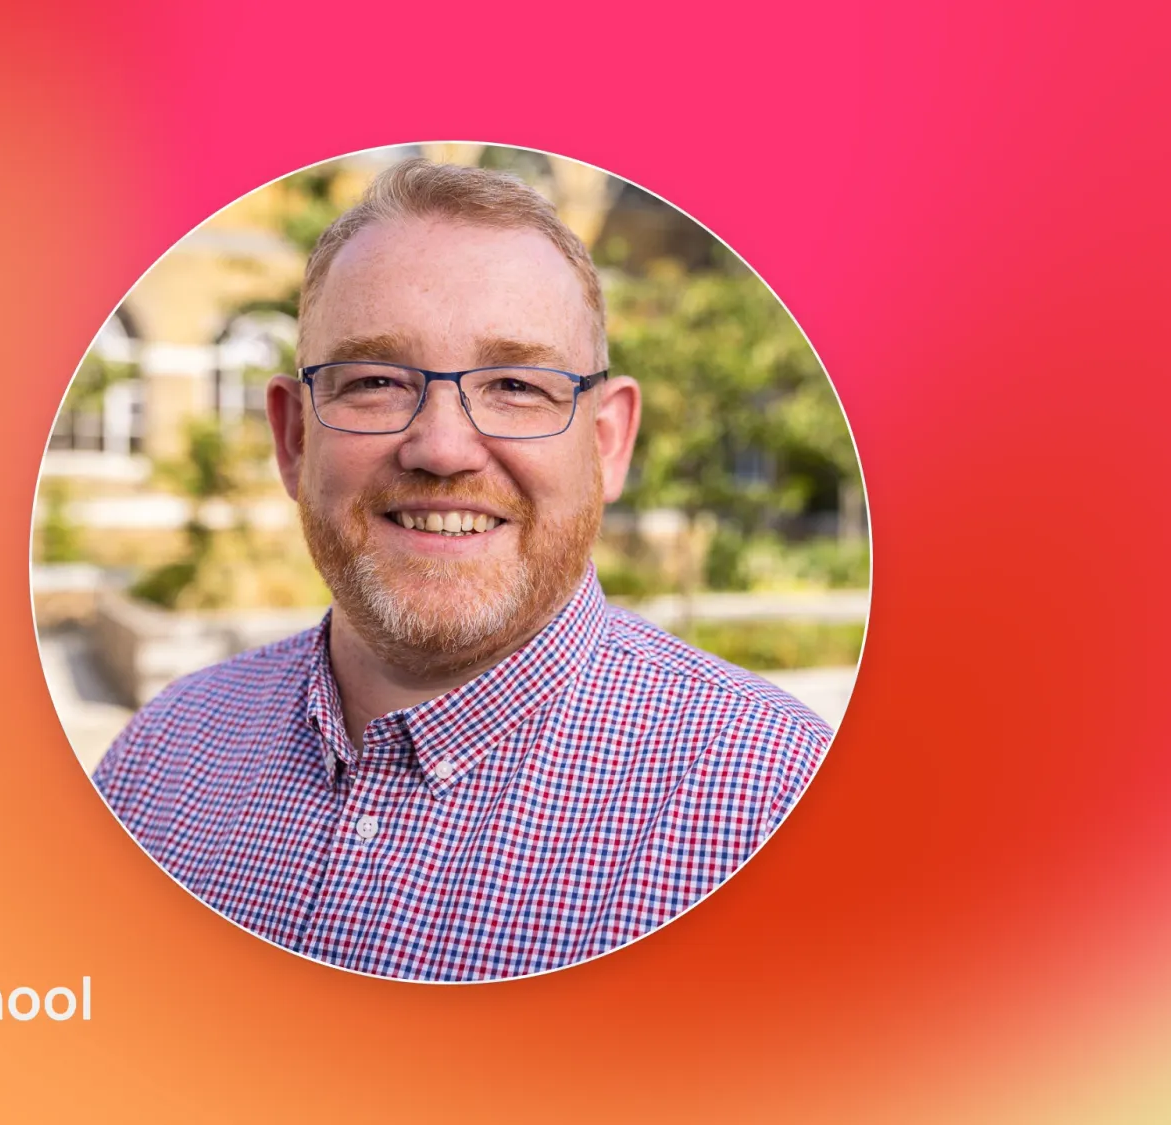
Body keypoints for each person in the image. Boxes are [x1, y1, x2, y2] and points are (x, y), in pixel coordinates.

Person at [94, 158, 833, 982]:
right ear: (294, 439)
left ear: (607, 443)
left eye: (515, 384)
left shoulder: (781, 806)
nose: (442, 448)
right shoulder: (157, 761)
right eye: (376, 381)